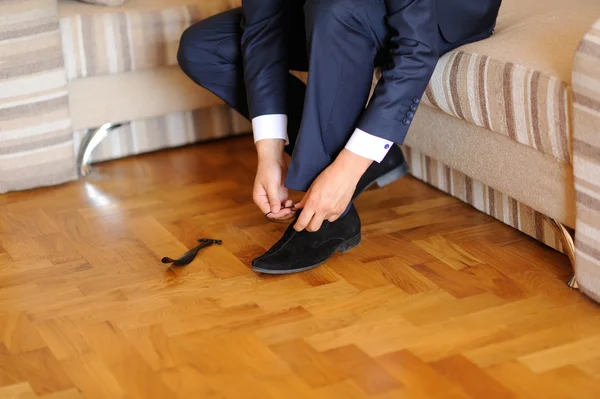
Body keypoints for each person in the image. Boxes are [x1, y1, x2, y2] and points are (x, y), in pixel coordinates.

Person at [178, 0, 502, 274]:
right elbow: (263, 27)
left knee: (337, 8)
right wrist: (270, 153)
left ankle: (329, 218)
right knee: (205, 47)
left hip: (439, 11)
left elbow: (417, 49)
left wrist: (348, 168)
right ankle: (368, 157)